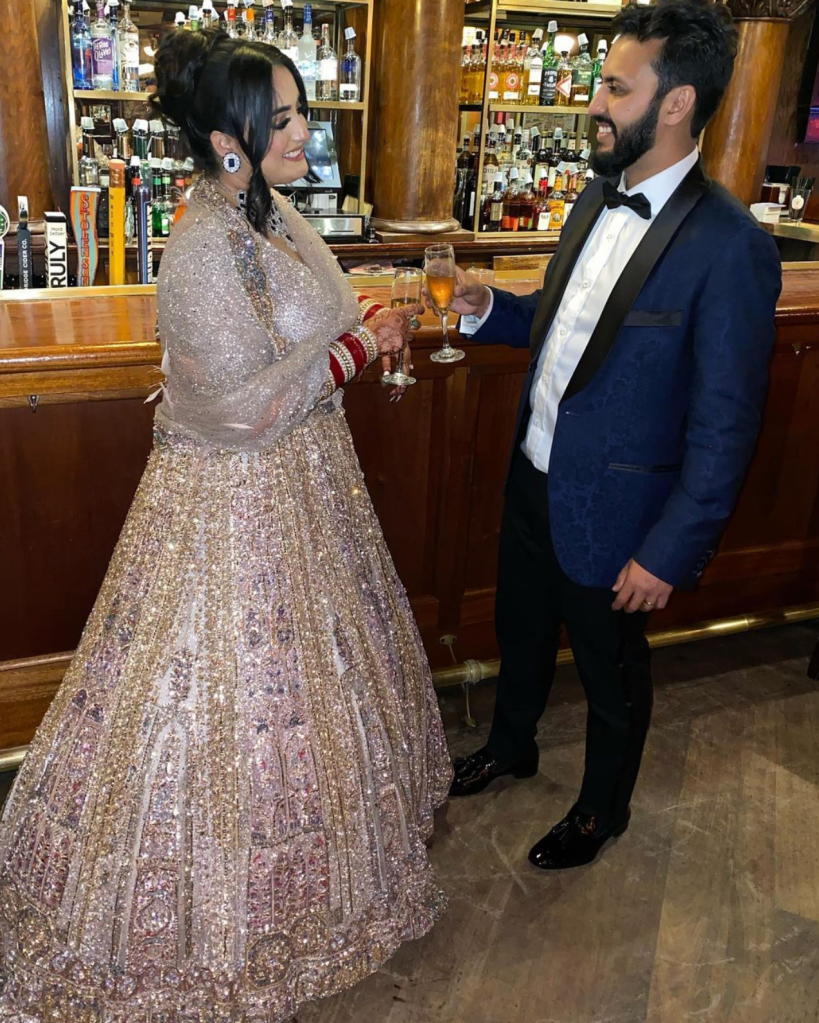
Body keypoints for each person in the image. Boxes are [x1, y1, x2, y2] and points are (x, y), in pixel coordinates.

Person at [0, 30, 452, 1023]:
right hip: (232, 503)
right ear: (228, 139)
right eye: (282, 117)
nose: (304, 130)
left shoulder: (274, 211)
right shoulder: (202, 243)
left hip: (311, 485)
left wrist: (355, 325)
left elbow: (307, 323)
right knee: (207, 700)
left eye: (300, 111)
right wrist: (353, 354)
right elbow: (229, 416)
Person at [446, 0, 782, 870]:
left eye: (612, 88)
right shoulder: (593, 198)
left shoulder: (730, 246)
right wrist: (494, 311)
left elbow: (725, 422)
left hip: (622, 512)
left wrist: (670, 550)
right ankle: (511, 742)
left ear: (673, 104)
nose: (593, 103)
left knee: (609, 675)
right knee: (520, 630)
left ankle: (602, 810)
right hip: (534, 471)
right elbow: (564, 329)